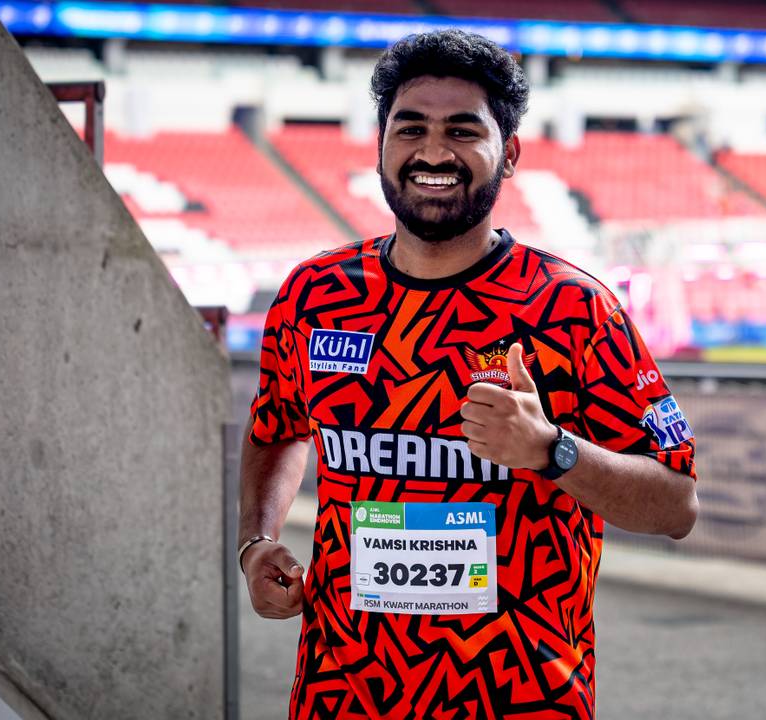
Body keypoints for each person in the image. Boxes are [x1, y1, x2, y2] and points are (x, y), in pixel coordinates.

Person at [239, 29, 698, 719]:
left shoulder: (573, 310)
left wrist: (552, 451)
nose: (433, 152)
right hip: (343, 694)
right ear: (380, 146)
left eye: (462, 130)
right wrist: (255, 543)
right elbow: (276, 428)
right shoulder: (315, 295)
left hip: (520, 698)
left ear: (508, 153)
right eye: (411, 129)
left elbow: (676, 507)